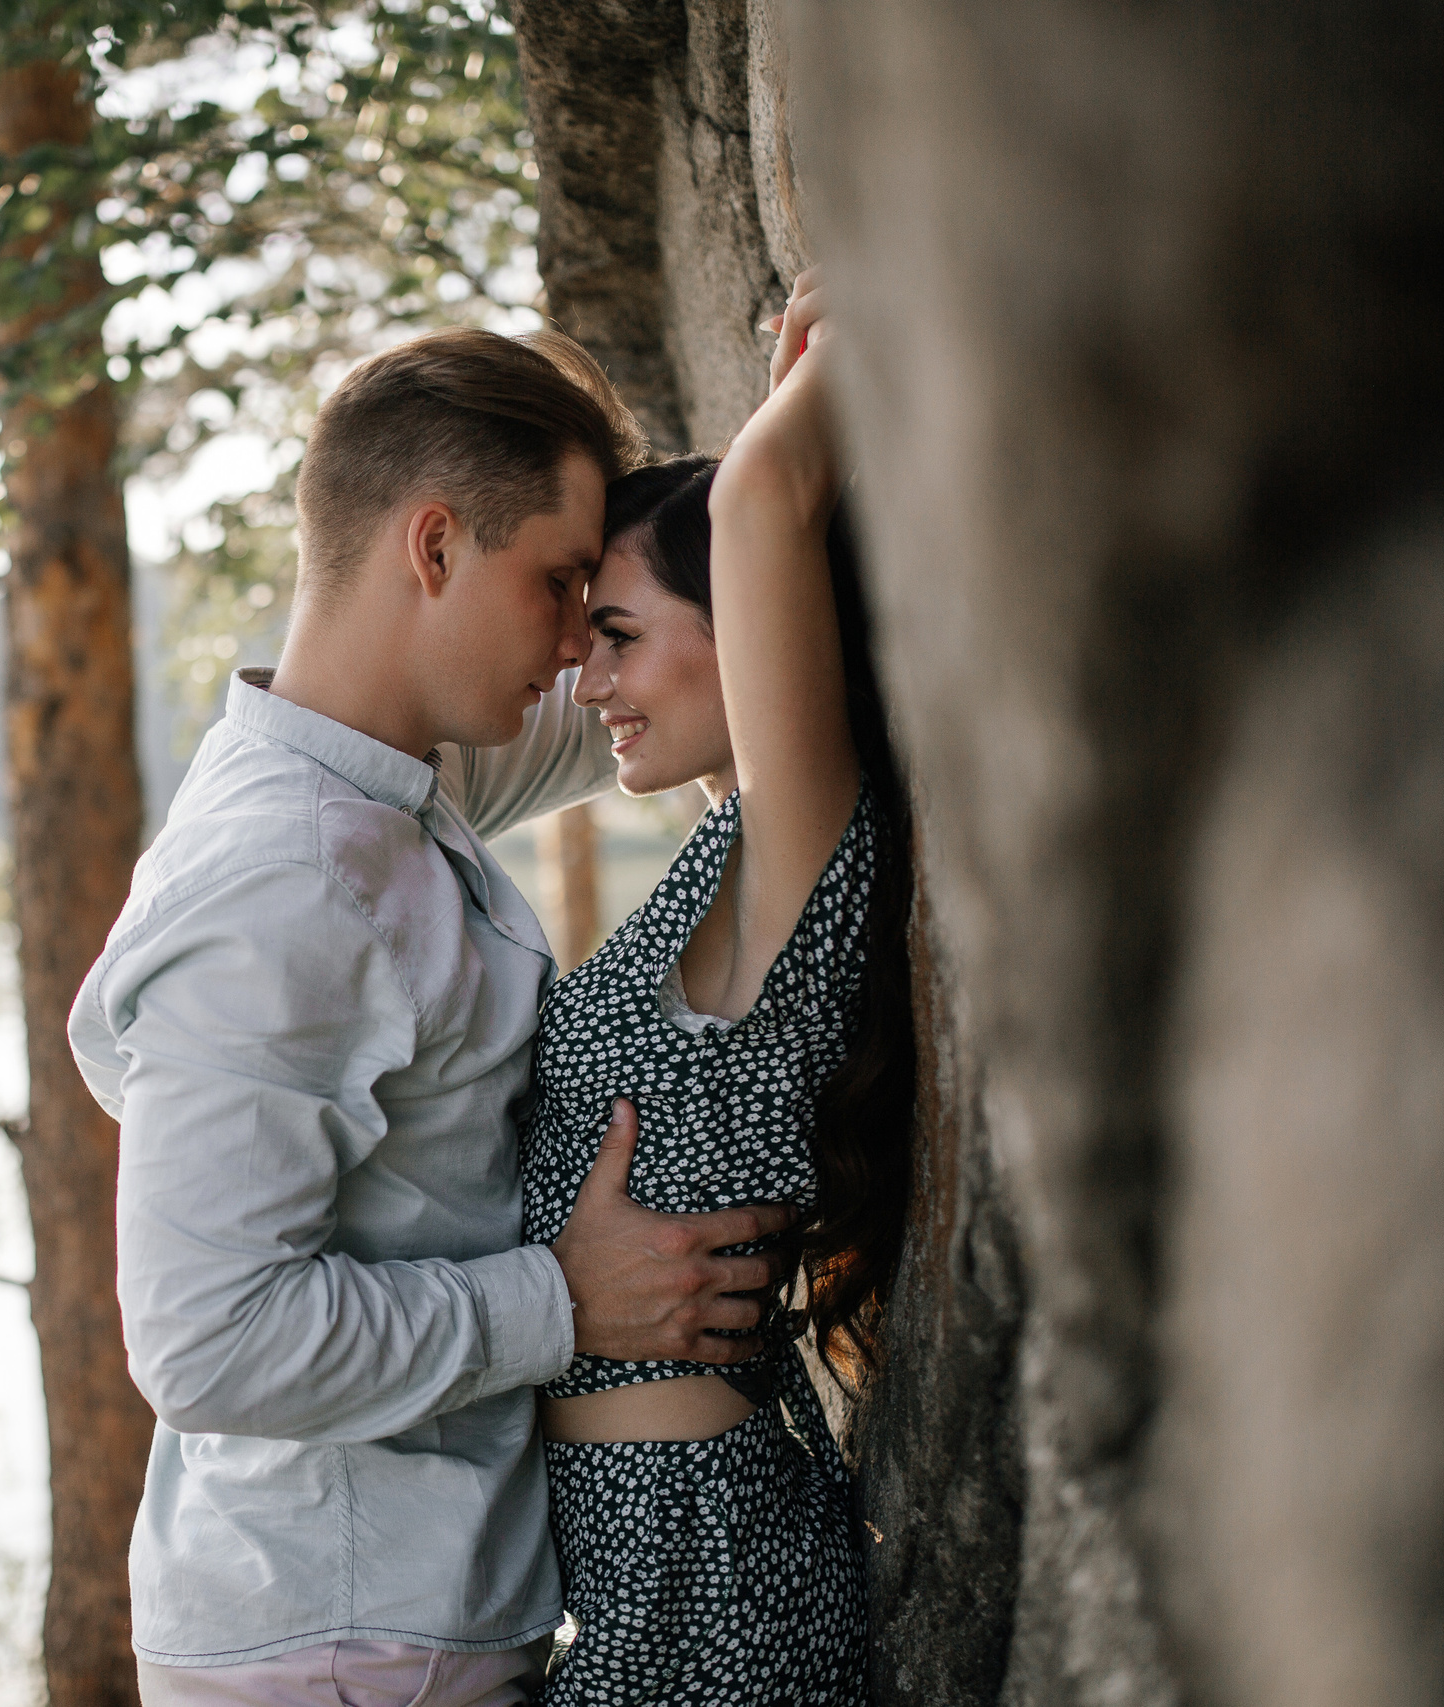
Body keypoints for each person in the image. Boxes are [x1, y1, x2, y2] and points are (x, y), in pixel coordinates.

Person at [68, 326, 805, 1707]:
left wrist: (764, 501)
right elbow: (208, 1340)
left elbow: (668, 686)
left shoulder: (395, 786)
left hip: (388, 1631)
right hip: (338, 1651)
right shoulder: (286, 882)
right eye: (562, 583)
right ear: (433, 549)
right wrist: (564, 1300)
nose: (584, 639)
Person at [517, 272, 914, 1704]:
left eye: (616, 635)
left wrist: (840, 345)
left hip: (711, 1581)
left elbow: (758, 511)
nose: (589, 682)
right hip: (653, 1574)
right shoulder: (732, 856)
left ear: (744, 626)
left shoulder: (805, 850)